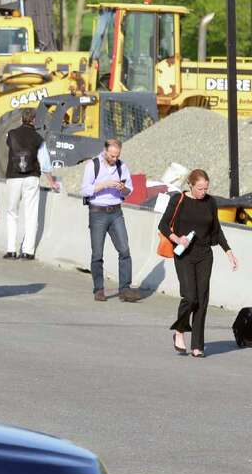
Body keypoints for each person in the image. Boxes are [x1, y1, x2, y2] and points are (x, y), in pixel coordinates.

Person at [158, 169, 239, 357]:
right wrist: (177, 239)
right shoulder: (178, 200)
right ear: (191, 186)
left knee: (202, 300)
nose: (203, 192)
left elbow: (216, 230)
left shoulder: (210, 202)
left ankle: (197, 345)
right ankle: (179, 332)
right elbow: (163, 224)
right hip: (184, 254)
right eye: (200, 188)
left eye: (206, 188)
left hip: (204, 254)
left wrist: (228, 251)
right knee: (190, 297)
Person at [81, 139, 139, 302]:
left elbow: (130, 191)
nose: (114, 159)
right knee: (97, 253)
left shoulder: (122, 166)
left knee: (124, 250)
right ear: (105, 152)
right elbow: (85, 190)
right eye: (112, 156)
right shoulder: (93, 165)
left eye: (117, 156)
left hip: (116, 212)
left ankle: (125, 289)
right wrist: (105, 184)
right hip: (97, 212)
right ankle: (99, 289)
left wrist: (123, 188)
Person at [3, 109, 60, 260]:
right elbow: (45, 163)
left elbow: (8, 145)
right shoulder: (38, 138)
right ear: (34, 120)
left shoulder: (11, 134)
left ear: (21, 119)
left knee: (12, 212)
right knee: (31, 213)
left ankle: (11, 250)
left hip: (13, 176)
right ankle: (28, 251)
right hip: (31, 177)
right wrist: (52, 181)